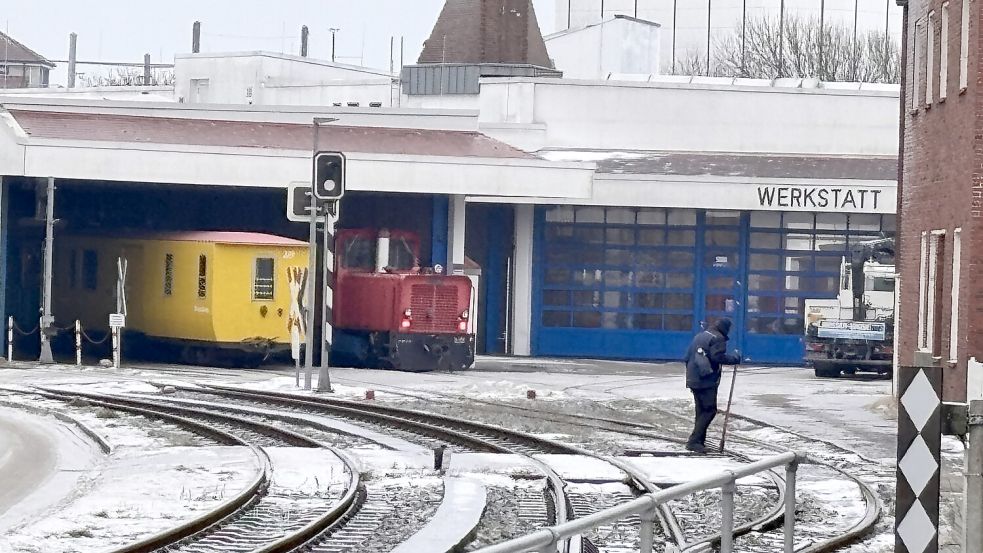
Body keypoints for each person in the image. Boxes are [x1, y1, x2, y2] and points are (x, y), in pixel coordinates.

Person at [683, 318, 741, 454]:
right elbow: (718, 357)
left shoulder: (701, 335)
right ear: (725, 328)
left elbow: (687, 356)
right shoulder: (718, 338)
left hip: (693, 377)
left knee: (701, 410)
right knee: (710, 410)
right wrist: (735, 359)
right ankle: (694, 441)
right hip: (706, 379)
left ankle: (699, 442)